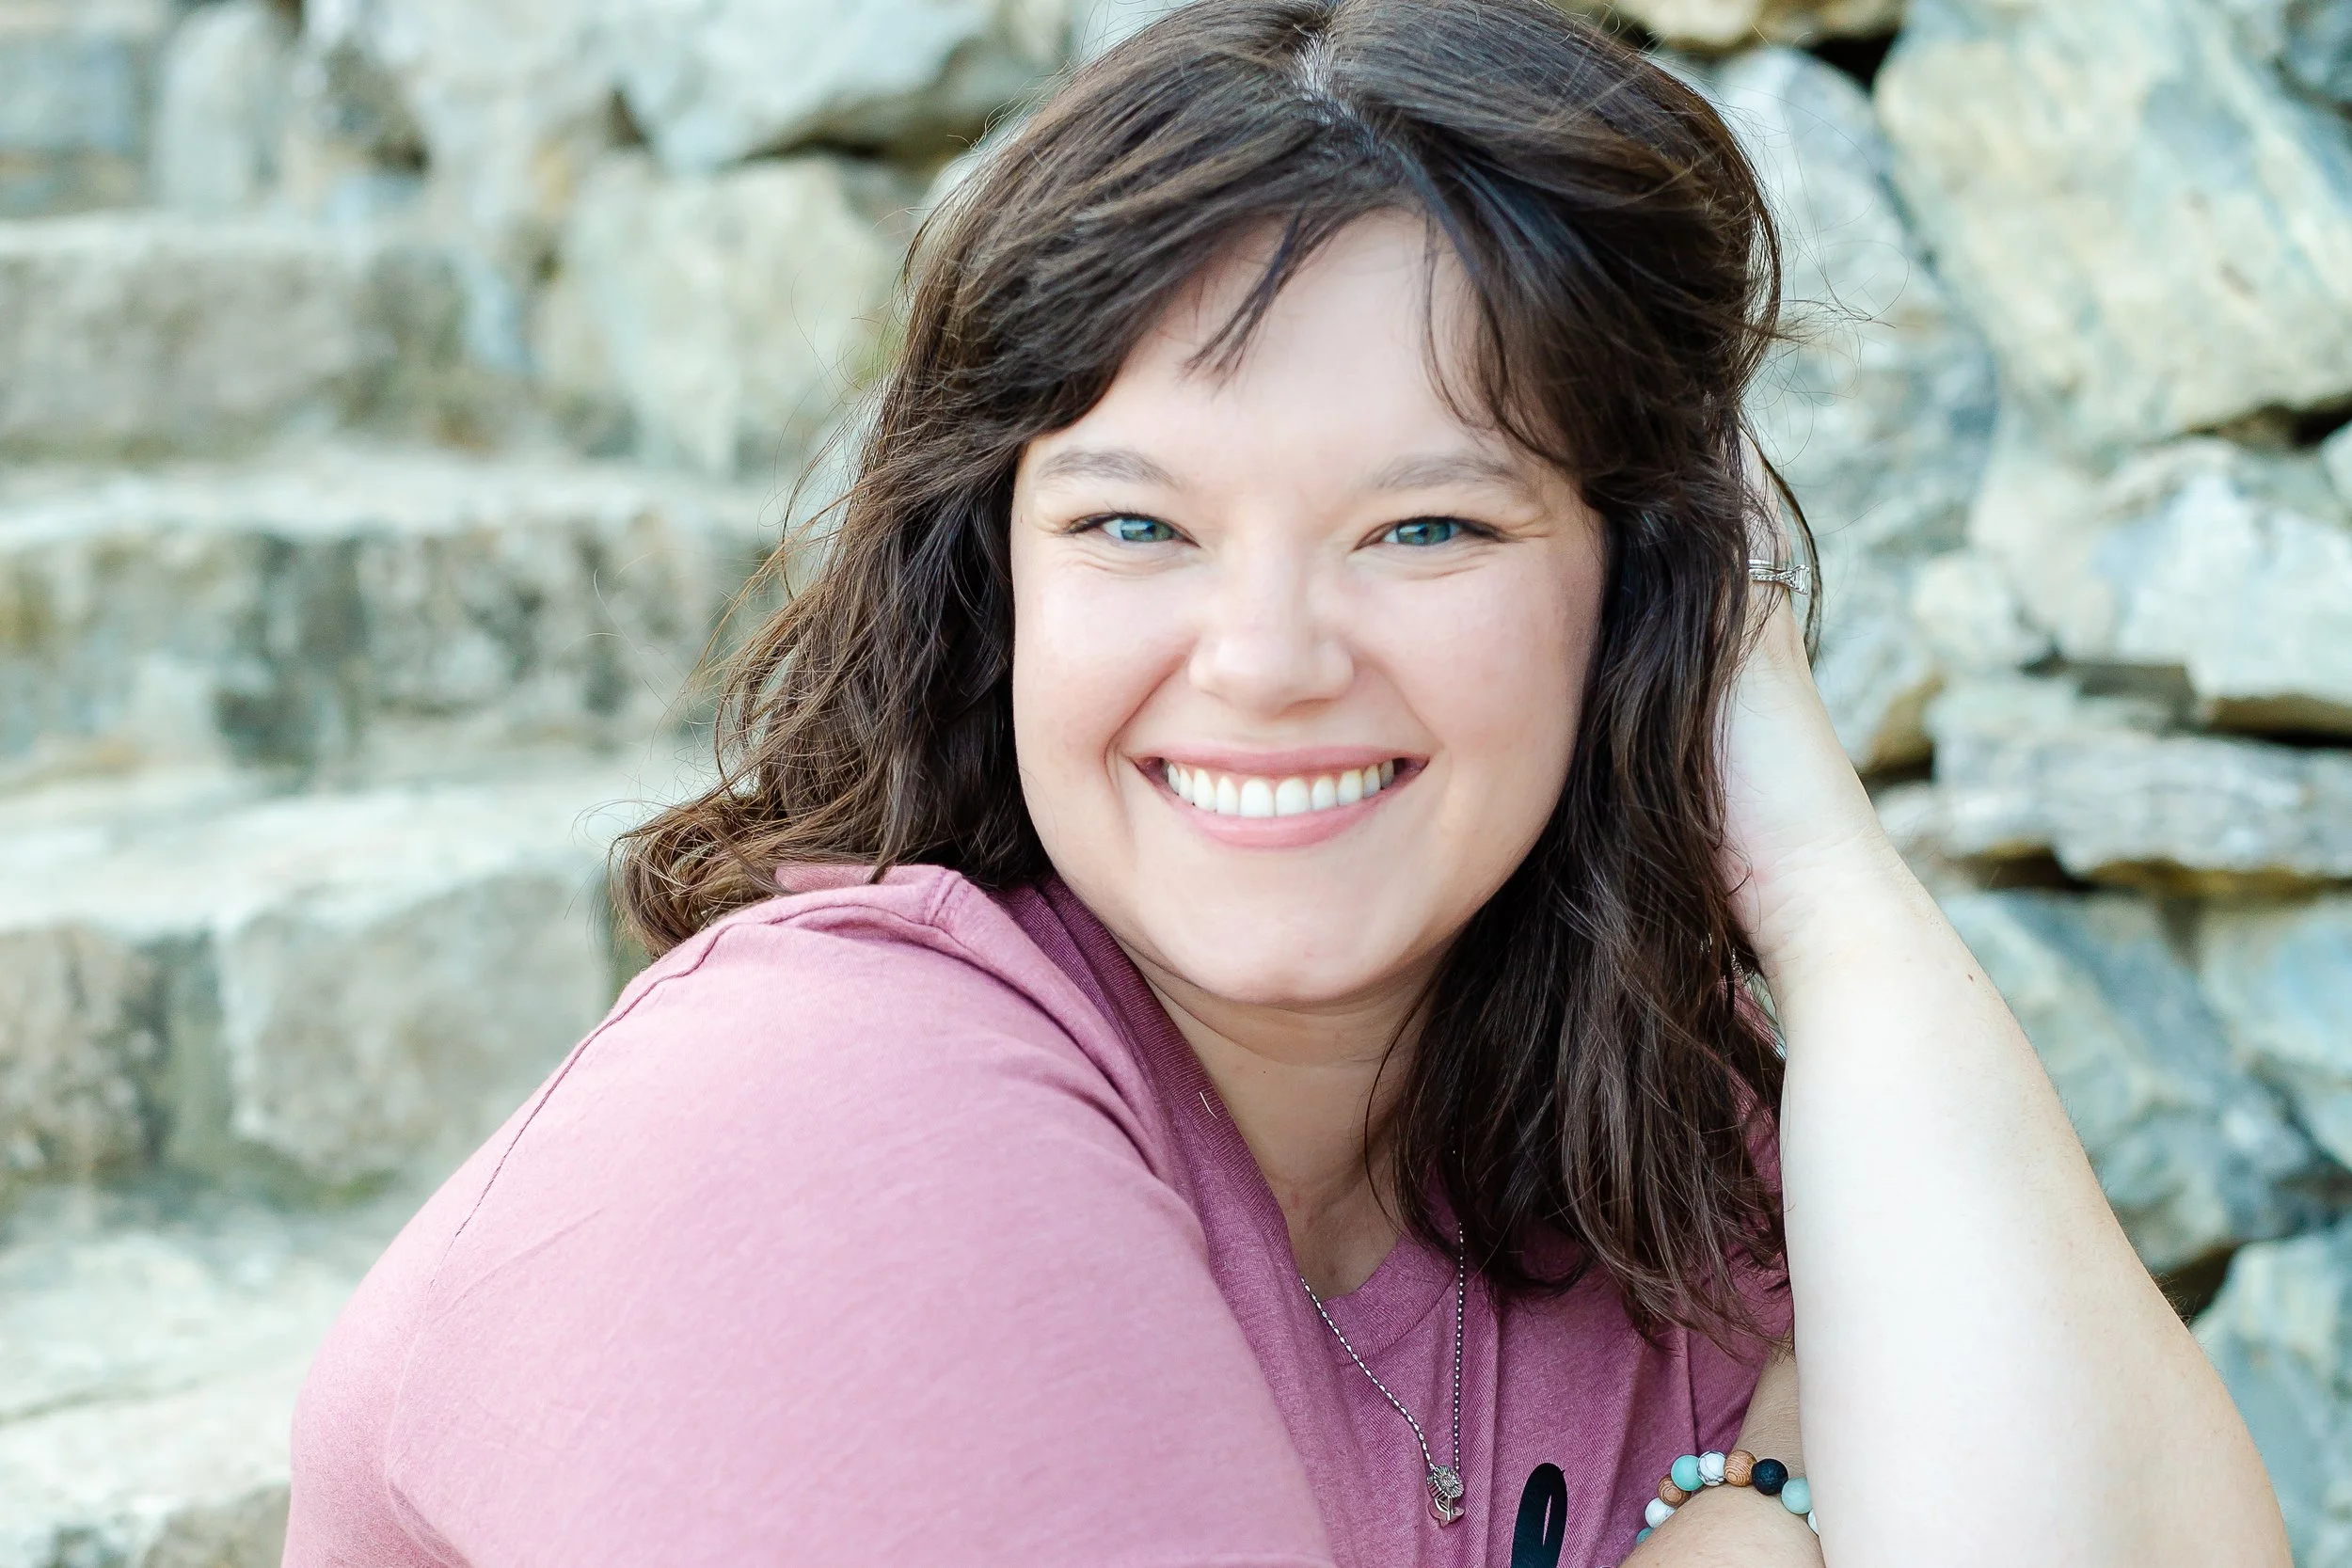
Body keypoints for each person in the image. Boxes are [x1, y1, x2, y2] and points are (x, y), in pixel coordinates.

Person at [281, 3, 2290, 1564]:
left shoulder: (1666, 1149)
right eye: (1134, 525)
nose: (1262, 658)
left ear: (1635, 595)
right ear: (994, 586)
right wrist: (1757, 1528)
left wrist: (1827, 891)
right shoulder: (819, 1115)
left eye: (1426, 528)